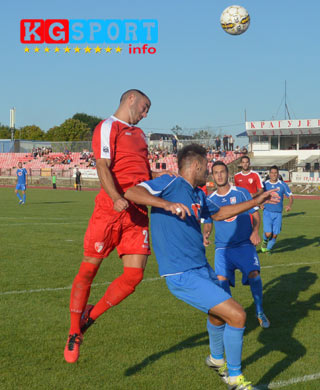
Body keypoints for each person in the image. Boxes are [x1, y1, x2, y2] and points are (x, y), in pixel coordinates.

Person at [125, 144, 279, 390]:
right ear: (196, 165)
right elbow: (131, 193)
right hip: (181, 273)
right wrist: (165, 205)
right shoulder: (169, 183)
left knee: (218, 315)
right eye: (207, 166)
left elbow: (219, 213)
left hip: (201, 267)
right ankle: (235, 380)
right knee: (238, 315)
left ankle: (216, 359)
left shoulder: (198, 194)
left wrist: (257, 200)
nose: (209, 171)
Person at [64, 89, 170, 363]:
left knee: (134, 277)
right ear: (131, 99)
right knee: (89, 270)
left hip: (137, 210)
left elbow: (143, 174)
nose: (145, 115)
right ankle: (74, 331)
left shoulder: (140, 135)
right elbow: (102, 165)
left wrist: (164, 176)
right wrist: (115, 197)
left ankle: (90, 317)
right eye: (145, 108)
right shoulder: (108, 126)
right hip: (111, 210)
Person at [205, 161, 272, 329]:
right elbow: (208, 222)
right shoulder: (210, 200)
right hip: (222, 248)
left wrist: (255, 231)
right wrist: (206, 233)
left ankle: (259, 311)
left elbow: (255, 214)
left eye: (222, 172)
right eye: (216, 172)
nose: (219, 175)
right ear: (212, 176)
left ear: (228, 174)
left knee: (254, 275)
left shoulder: (241, 193)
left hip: (244, 245)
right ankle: (229, 316)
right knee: (221, 281)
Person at [261, 165, 293, 253]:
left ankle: (268, 249)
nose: (274, 175)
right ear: (269, 174)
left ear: (278, 174)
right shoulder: (265, 184)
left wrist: (289, 205)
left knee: (275, 235)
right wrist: (261, 204)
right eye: (272, 173)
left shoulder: (282, 185)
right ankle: (264, 241)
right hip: (267, 212)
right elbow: (259, 195)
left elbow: (290, 196)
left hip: (278, 213)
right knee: (268, 234)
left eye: (275, 173)